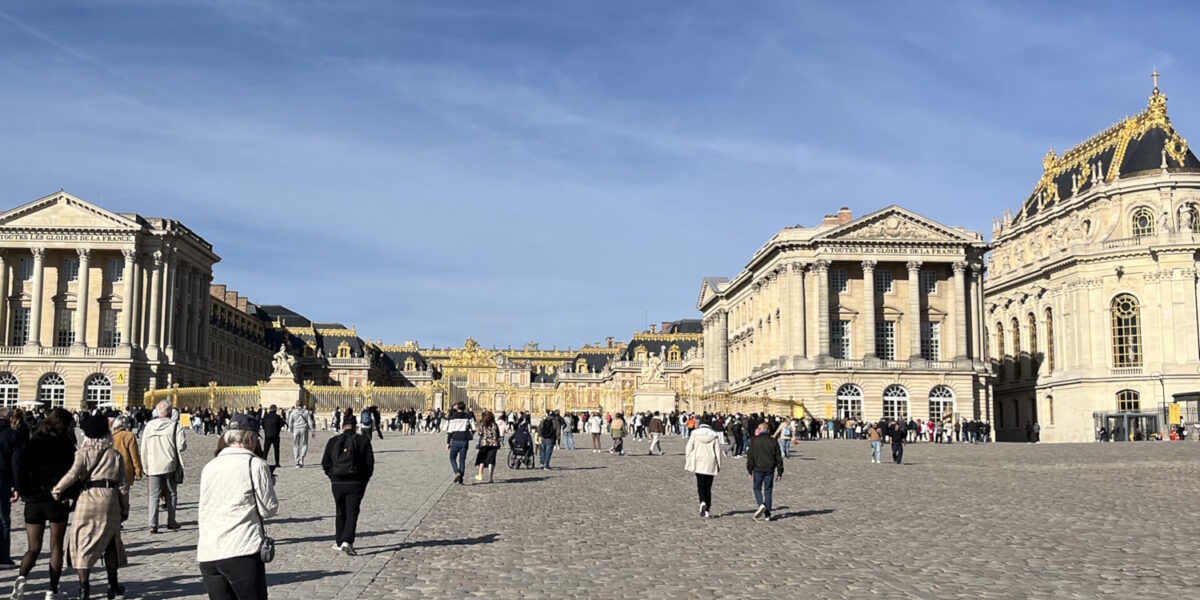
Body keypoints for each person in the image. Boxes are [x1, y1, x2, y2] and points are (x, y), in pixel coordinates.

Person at [51, 416, 129, 600]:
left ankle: (84, 588)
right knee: (110, 541)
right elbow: (124, 485)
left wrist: (57, 490)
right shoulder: (115, 455)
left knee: (83, 544)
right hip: (109, 499)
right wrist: (125, 508)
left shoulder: (82, 453)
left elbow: (72, 475)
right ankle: (112, 584)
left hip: (87, 498)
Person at [198, 425, 278, 600]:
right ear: (250, 439)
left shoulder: (210, 466)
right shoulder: (255, 464)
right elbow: (269, 509)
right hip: (242, 550)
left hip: (209, 550)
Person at [11, 409, 76, 599]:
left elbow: (20, 468)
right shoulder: (66, 444)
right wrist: (70, 493)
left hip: (33, 501)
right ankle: (52, 590)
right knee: (56, 547)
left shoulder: (32, 443)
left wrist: (23, 491)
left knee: (33, 548)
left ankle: (21, 578)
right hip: (56, 500)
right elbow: (73, 473)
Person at [321, 415, 374, 556]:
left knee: (340, 511)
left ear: (342, 427)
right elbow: (370, 463)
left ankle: (339, 541)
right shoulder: (363, 440)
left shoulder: (333, 441)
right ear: (355, 427)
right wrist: (364, 479)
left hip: (337, 481)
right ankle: (347, 541)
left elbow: (325, 463)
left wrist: (332, 476)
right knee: (352, 512)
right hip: (356, 482)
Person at [140, 401, 186, 534]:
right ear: (170, 412)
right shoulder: (175, 426)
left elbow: (144, 448)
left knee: (154, 496)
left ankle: (152, 524)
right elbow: (182, 446)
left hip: (153, 465)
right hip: (170, 465)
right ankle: (171, 521)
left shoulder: (149, 426)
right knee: (172, 493)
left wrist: (145, 466)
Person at [684, 416, 722, 518]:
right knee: (708, 487)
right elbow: (718, 452)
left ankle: (702, 502)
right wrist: (719, 465)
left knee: (700, 485)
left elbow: (688, 448)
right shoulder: (714, 435)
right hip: (711, 462)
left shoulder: (695, 433)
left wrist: (690, 459)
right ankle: (707, 510)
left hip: (699, 461)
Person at [745, 423, 783, 521]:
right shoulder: (773, 440)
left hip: (757, 469)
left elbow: (750, 456)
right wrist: (780, 471)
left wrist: (749, 470)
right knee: (768, 491)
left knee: (757, 489)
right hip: (769, 469)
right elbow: (778, 457)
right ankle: (768, 514)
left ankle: (761, 504)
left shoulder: (754, 440)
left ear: (761, 429)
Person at [0, 408, 17, 568]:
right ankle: (3, 558)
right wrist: (16, 486)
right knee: (4, 520)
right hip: (2, 480)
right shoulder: (11, 435)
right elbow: (15, 463)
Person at [110, 416, 143, 486]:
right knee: (124, 494)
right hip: (125, 470)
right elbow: (135, 456)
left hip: (110, 469)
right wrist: (138, 472)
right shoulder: (129, 436)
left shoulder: (109, 435)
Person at [446, 402, 474, 484]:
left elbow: (450, 431)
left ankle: (456, 472)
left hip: (455, 439)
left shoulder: (453, 417)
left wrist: (448, 443)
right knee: (462, 460)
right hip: (464, 440)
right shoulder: (469, 416)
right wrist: (470, 435)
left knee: (452, 458)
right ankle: (461, 479)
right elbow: (474, 428)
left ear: (457, 408)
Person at [473, 411, 501, 483]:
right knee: (491, 460)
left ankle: (480, 474)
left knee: (482, 459)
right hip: (494, 444)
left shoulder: (483, 425)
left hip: (485, 443)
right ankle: (490, 477)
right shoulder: (495, 425)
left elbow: (480, 433)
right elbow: (498, 434)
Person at [286, 402, 315, 468]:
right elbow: (310, 421)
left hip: (296, 428)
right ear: (302, 405)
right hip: (304, 428)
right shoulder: (306, 412)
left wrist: (291, 430)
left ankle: (297, 461)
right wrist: (312, 430)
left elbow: (290, 422)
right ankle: (302, 457)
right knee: (305, 444)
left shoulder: (293, 412)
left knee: (296, 445)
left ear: (296, 405)